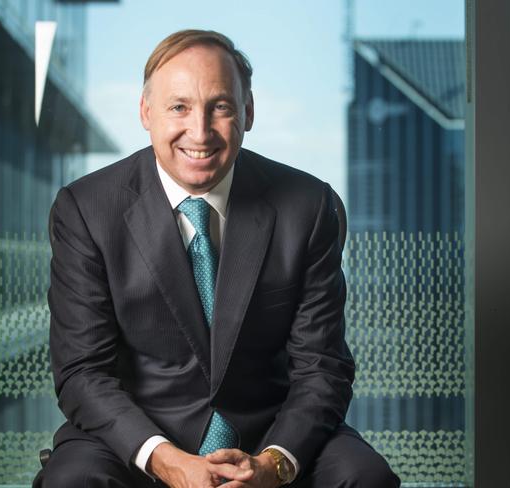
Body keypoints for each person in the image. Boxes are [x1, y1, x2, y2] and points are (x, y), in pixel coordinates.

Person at [34, 29, 400, 488]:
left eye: (220, 107)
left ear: (247, 113)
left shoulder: (307, 206)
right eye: (179, 107)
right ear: (146, 112)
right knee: (73, 482)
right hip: (137, 440)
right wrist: (166, 459)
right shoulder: (86, 209)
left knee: (363, 476)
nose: (200, 131)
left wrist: (274, 463)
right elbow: (83, 372)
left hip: (270, 432)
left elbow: (321, 366)